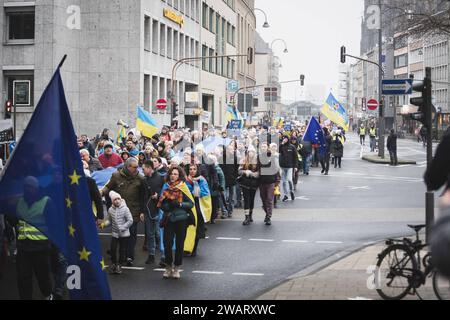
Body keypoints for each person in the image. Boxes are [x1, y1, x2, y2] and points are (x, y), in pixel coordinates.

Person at [13, 176, 54, 300]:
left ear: (36, 189)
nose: (27, 190)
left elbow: (53, 223)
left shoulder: (46, 201)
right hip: (23, 247)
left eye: (30, 187)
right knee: (23, 278)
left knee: (43, 276)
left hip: (40, 247)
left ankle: (47, 295)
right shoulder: (20, 201)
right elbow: (13, 219)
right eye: (25, 187)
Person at [102, 158, 145, 266]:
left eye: (137, 166)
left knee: (132, 234)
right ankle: (121, 255)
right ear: (127, 166)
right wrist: (101, 193)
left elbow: (144, 196)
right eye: (134, 167)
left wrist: (142, 211)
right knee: (120, 234)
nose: (137, 169)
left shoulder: (141, 178)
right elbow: (108, 187)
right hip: (119, 211)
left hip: (133, 210)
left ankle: (129, 256)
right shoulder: (116, 176)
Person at [157, 166, 194, 279]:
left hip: (181, 220)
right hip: (169, 219)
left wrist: (180, 204)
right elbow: (161, 203)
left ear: (179, 176)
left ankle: (177, 268)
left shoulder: (184, 187)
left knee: (179, 244)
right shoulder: (166, 187)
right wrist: (166, 206)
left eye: (176, 174)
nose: (173, 176)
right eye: (172, 174)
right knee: (167, 243)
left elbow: (191, 203)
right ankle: (168, 267)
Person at [101, 191, 133, 275]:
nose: (117, 201)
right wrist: (103, 224)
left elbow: (130, 220)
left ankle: (119, 265)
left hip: (124, 234)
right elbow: (109, 221)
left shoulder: (125, 209)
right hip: (115, 234)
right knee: (113, 249)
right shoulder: (110, 210)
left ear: (121, 199)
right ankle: (114, 263)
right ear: (112, 201)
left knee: (122, 250)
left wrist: (123, 227)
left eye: (118, 199)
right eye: (115, 199)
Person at [185, 163, 211, 257]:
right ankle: (187, 248)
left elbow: (205, 193)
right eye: (190, 169)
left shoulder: (202, 180)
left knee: (197, 229)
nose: (192, 171)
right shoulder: (185, 180)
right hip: (188, 206)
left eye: (194, 169)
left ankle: (194, 249)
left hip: (198, 206)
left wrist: (195, 188)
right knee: (187, 228)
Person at [142, 160, 164, 265]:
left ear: (150, 168)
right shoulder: (144, 180)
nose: (142, 171)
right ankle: (151, 255)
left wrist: (158, 196)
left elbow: (165, 192)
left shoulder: (160, 178)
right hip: (147, 210)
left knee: (159, 233)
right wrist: (142, 211)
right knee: (150, 234)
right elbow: (141, 196)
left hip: (159, 210)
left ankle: (163, 255)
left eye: (143, 169)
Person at [238, 146, 260, 226]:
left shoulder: (257, 161)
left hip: (254, 184)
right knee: (246, 200)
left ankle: (250, 215)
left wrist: (253, 174)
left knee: (251, 200)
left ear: (254, 153)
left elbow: (259, 172)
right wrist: (245, 171)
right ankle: (246, 217)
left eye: (252, 152)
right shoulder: (244, 160)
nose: (250, 153)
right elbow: (239, 171)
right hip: (245, 183)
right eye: (249, 152)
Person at [259, 142, 280, 226]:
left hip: (271, 181)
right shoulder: (259, 157)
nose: (263, 148)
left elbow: (276, 168)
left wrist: (277, 181)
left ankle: (268, 217)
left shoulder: (271, 156)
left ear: (267, 148)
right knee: (264, 200)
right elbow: (257, 168)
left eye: (265, 146)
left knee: (269, 200)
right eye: (262, 146)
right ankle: (267, 213)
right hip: (261, 182)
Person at [279, 135, 298, 202]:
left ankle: (291, 191)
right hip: (283, 166)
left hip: (290, 166)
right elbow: (279, 151)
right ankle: (285, 195)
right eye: (283, 139)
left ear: (288, 139)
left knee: (289, 180)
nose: (285, 140)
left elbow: (295, 157)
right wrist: (281, 144)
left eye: (286, 138)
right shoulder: (282, 146)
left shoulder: (292, 147)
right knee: (284, 182)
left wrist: (295, 166)